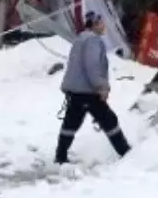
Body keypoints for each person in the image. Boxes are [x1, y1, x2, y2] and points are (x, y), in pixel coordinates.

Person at [55, 10, 131, 164]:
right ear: (95, 24)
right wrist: (101, 86)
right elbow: (93, 66)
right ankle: (126, 153)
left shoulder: (81, 38)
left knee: (71, 123)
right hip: (87, 91)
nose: (104, 26)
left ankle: (60, 156)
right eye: (102, 22)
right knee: (109, 120)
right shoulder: (93, 41)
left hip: (76, 91)